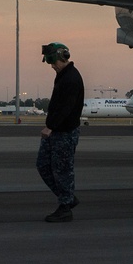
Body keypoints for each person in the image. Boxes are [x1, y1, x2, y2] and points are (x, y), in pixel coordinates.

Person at [36, 42, 84, 222]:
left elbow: (66, 107)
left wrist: (51, 127)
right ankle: (68, 197)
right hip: (56, 131)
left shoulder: (71, 78)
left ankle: (65, 208)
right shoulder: (63, 75)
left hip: (64, 132)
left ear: (63, 58)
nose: (52, 65)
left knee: (62, 170)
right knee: (43, 165)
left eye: (53, 61)